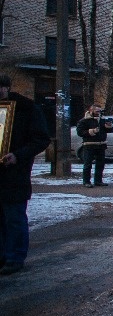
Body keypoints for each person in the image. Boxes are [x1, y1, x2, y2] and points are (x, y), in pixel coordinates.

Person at [0, 73, 51, 275]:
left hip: (14, 174)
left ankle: (14, 257)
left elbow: (41, 139)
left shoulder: (26, 108)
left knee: (14, 217)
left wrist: (18, 156)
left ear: (6, 88)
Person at [76, 104, 113, 187]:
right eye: (97, 111)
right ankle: (86, 181)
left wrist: (109, 126)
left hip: (101, 144)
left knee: (100, 164)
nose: (98, 113)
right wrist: (91, 131)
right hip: (89, 145)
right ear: (91, 111)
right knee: (88, 164)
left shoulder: (102, 119)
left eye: (99, 111)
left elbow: (109, 130)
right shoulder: (84, 120)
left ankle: (98, 181)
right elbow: (80, 132)